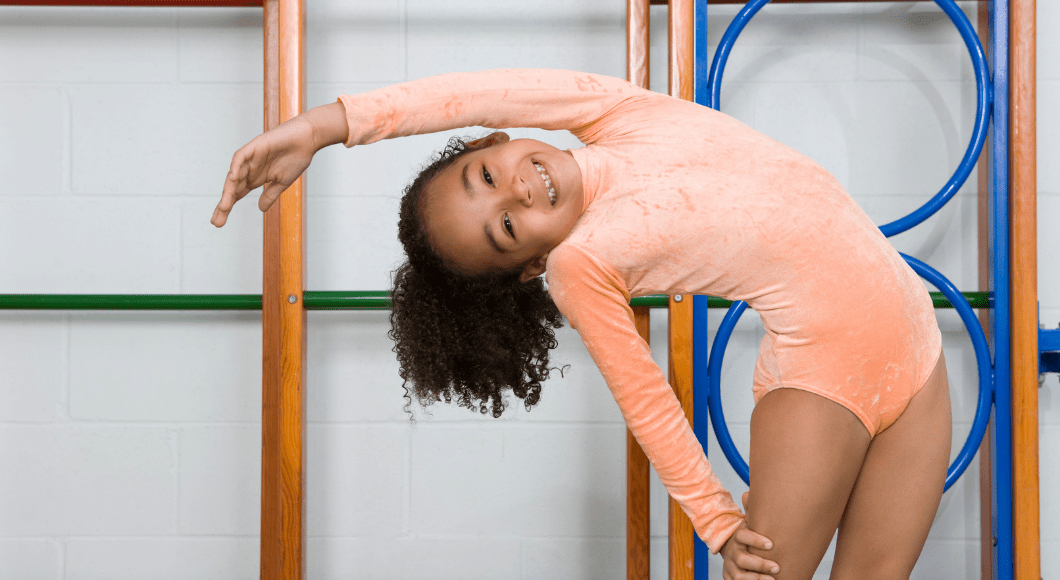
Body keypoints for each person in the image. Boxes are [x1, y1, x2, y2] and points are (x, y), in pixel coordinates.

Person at [212, 69, 952, 580]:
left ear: (489, 141)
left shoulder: (618, 113)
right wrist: (716, 520)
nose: (521, 192)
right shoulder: (580, 266)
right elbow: (646, 399)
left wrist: (326, 125)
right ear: (530, 267)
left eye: (488, 175)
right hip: (821, 385)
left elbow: (466, 91)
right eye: (507, 227)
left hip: (919, 356)